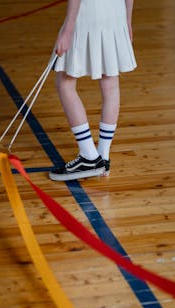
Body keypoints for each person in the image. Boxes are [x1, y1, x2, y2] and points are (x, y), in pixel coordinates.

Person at [49, 0, 136, 181]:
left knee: (65, 83)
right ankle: (103, 158)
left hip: (87, 13)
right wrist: (127, 19)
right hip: (115, 12)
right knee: (110, 83)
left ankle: (89, 155)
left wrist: (68, 30)